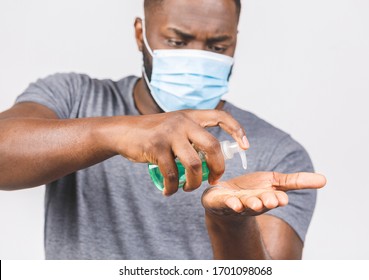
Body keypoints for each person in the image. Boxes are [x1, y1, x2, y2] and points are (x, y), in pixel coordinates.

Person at [0, 0, 326, 259]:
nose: (197, 58)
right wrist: (116, 133)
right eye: (177, 41)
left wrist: (232, 225)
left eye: (217, 46)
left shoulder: (279, 156)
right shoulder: (73, 99)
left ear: (235, 42)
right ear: (140, 34)